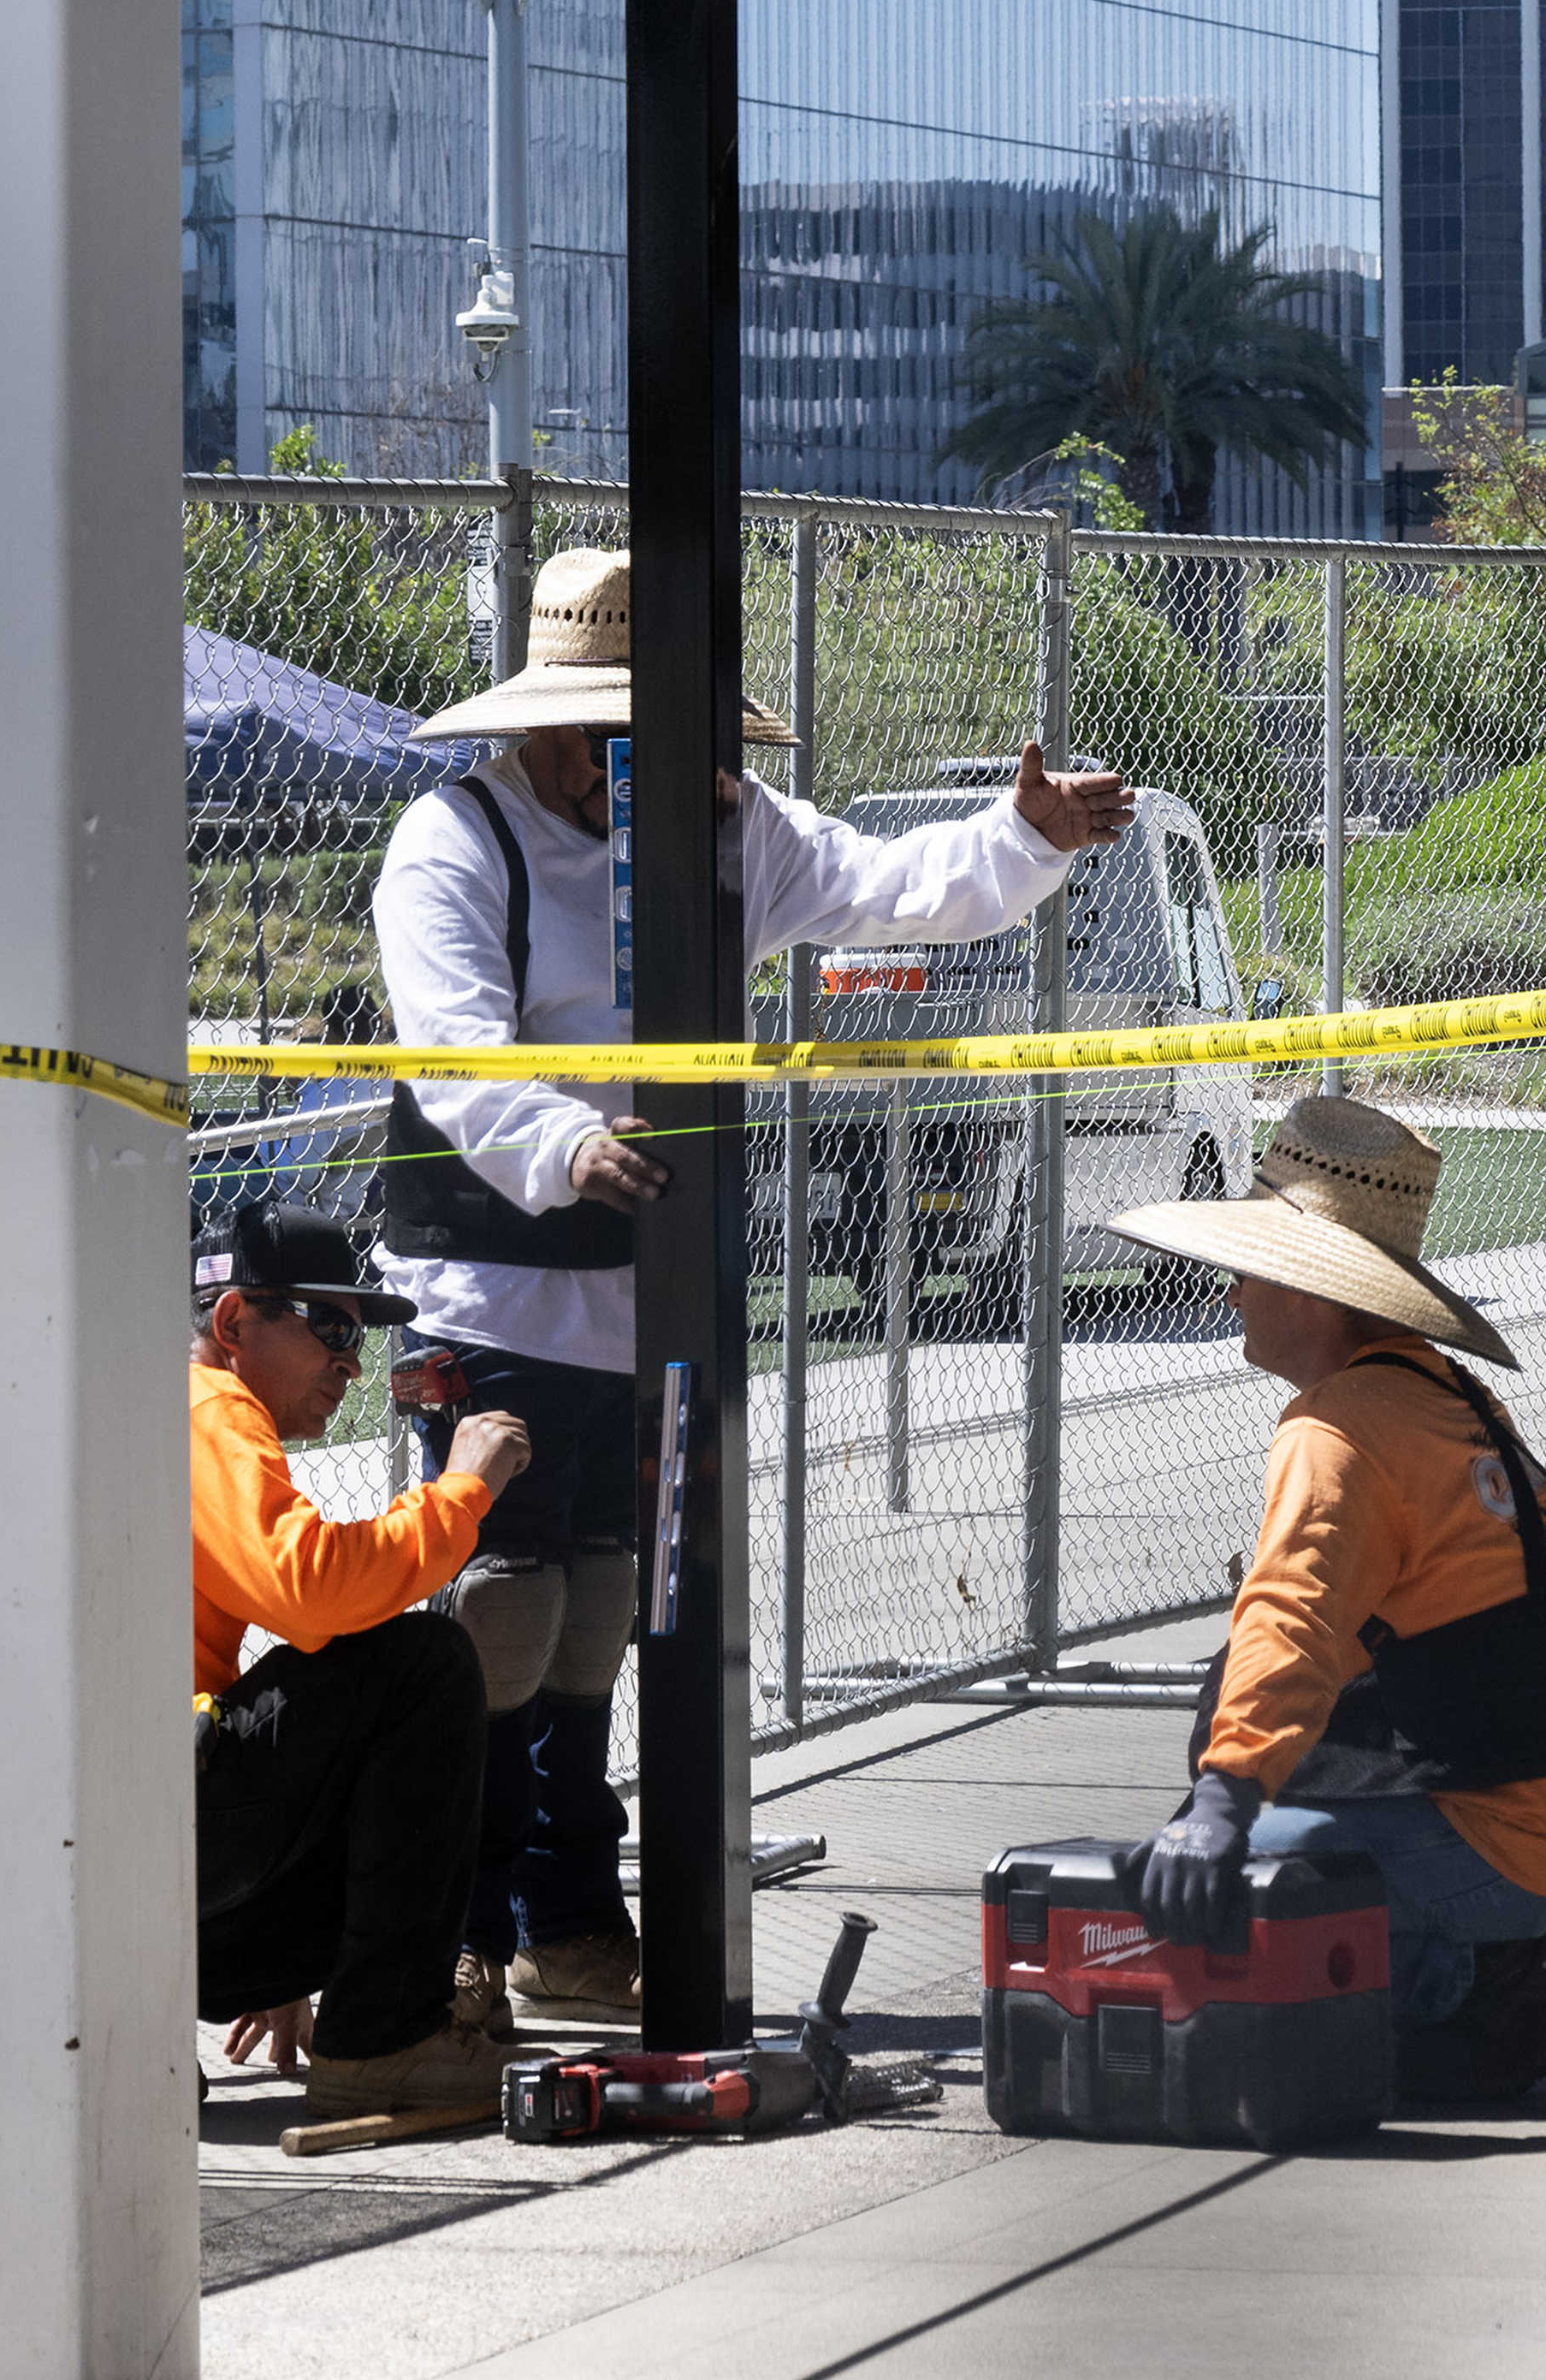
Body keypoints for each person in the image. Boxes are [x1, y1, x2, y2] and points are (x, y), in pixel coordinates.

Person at [376, 541, 1134, 2020]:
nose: (645, 765)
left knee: (600, 1613)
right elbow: (453, 1046)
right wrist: (563, 1141)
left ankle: (568, 1916)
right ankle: (450, 1936)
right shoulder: (459, 842)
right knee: (501, 1616)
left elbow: (898, 885)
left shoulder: (721, 829)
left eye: (666, 736)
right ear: (544, 723)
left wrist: (1027, 836)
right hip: (495, 1298)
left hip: (651, 1300)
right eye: (616, 736)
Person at [1105, 1095, 1546, 2106]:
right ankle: (1504, 1946)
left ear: (1313, 1290)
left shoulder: (1340, 1429)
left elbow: (1292, 1619)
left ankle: (1477, 1979)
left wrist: (1221, 1804)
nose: (1231, 1291)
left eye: (1251, 1266)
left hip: (1514, 1841)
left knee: (1226, 1887)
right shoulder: (1447, 1395)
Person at [190, 1201, 527, 2118]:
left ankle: (121, 2025)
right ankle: (382, 2041)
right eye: (329, 1325)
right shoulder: (206, 1404)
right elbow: (311, 1589)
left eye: (359, 1337)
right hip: (128, 1847)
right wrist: (460, 1495)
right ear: (231, 1322)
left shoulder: (143, 1403)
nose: (349, 1361)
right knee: (419, 1663)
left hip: (92, 1868)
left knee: (353, 1685)